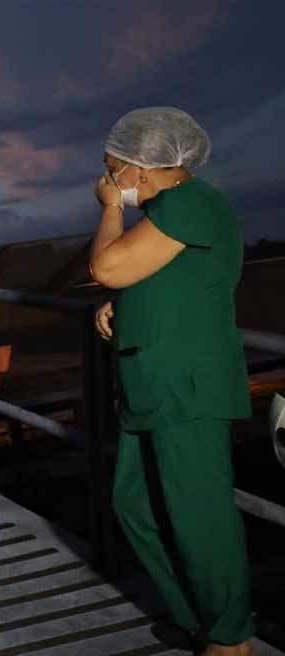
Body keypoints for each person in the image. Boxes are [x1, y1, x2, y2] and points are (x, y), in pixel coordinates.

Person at [90, 108, 253, 656]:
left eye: (114, 169)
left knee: (199, 516)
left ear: (141, 167)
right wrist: (122, 308)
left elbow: (108, 266)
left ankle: (230, 639)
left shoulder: (190, 203)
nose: (107, 178)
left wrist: (110, 209)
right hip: (150, 384)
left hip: (187, 387)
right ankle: (197, 619)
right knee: (135, 504)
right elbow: (153, 278)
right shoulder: (169, 212)